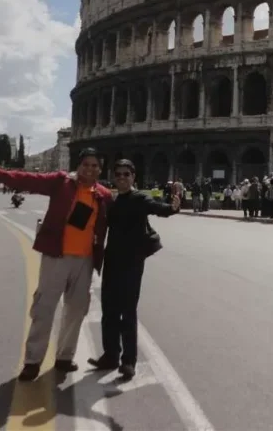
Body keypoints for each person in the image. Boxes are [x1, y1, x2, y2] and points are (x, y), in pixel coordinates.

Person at [0, 148, 112, 382]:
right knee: (44, 308)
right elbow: (29, 180)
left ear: (100, 169)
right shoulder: (61, 183)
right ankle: (33, 361)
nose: (90, 169)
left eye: (95, 165)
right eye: (86, 164)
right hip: (56, 256)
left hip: (85, 260)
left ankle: (64, 357)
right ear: (79, 166)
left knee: (77, 309)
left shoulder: (104, 195)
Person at [89, 158, 180, 380]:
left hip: (132, 262)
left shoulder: (140, 198)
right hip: (112, 260)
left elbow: (157, 208)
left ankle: (128, 361)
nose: (121, 178)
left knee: (127, 311)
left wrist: (172, 207)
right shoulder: (111, 201)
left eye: (126, 174)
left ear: (133, 177)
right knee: (109, 311)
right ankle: (110, 355)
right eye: (118, 174)